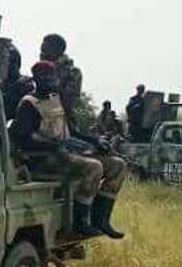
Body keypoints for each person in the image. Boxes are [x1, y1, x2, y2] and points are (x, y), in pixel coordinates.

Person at [11, 61, 127, 240]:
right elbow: (22, 139)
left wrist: (95, 141)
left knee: (118, 166)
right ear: (36, 79)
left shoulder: (56, 100)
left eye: (52, 76)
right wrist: (53, 146)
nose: (50, 80)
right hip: (43, 160)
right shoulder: (29, 104)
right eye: (45, 77)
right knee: (94, 167)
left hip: (66, 153)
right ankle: (80, 223)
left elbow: (71, 131)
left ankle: (101, 221)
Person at [39, 33, 83, 120]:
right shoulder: (41, 70)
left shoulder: (73, 72)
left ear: (56, 51)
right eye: (41, 51)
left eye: (44, 51)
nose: (41, 55)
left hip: (60, 122)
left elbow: (66, 103)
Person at [0, 42, 34, 122]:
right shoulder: (0, 83)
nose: (2, 65)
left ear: (15, 64)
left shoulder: (24, 85)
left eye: (5, 61)